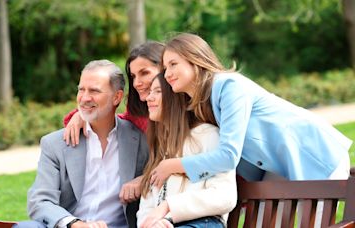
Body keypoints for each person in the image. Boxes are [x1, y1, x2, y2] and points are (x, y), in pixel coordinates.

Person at [150, 32, 352, 187]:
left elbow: (228, 155)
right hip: (276, 169)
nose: (167, 74)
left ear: (195, 60)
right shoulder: (202, 103)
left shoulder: (229, 86)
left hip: (313, 154)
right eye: (165, 68)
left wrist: (173, 165)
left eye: (173, 64)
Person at [15, 60, 149, 228]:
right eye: (81, 90)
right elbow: (40, 201)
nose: (85, 98)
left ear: (117, 97)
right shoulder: (55, 144)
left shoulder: (139, 140)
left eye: (94, 91)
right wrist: (74, 224)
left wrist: (144, 180)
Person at [62, 42, 165, 204]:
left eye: (144, 73)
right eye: (133, 76)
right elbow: (115, 121)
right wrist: (81, 115)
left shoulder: (188, 112)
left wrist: (144, 179)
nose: (137, 82)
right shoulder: (140, 115)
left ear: (165, 69)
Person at [137, 73, 236, 228]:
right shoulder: (161, 147)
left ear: (175, 97)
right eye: (150, 92)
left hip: (203, 222)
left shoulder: (207, 135)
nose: (148, 98)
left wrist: (169, 210)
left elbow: (224, 196)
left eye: (157, 91)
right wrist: (150, 224)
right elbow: (147, 204)